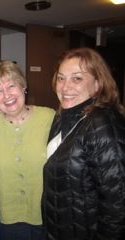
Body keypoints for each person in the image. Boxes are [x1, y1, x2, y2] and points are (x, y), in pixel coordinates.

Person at [42, 47, 125, 240]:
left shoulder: (103, 125)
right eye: (61, 78)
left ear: (97, 84)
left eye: (77, 78)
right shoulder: (63, 116)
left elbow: (118, 205)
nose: (65, 87)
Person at [0, 60, 55, 240]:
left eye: (11, 86)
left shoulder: (48, 117)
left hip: (46, 216)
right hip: (10, 217)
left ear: (23, 86)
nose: (6, 94)